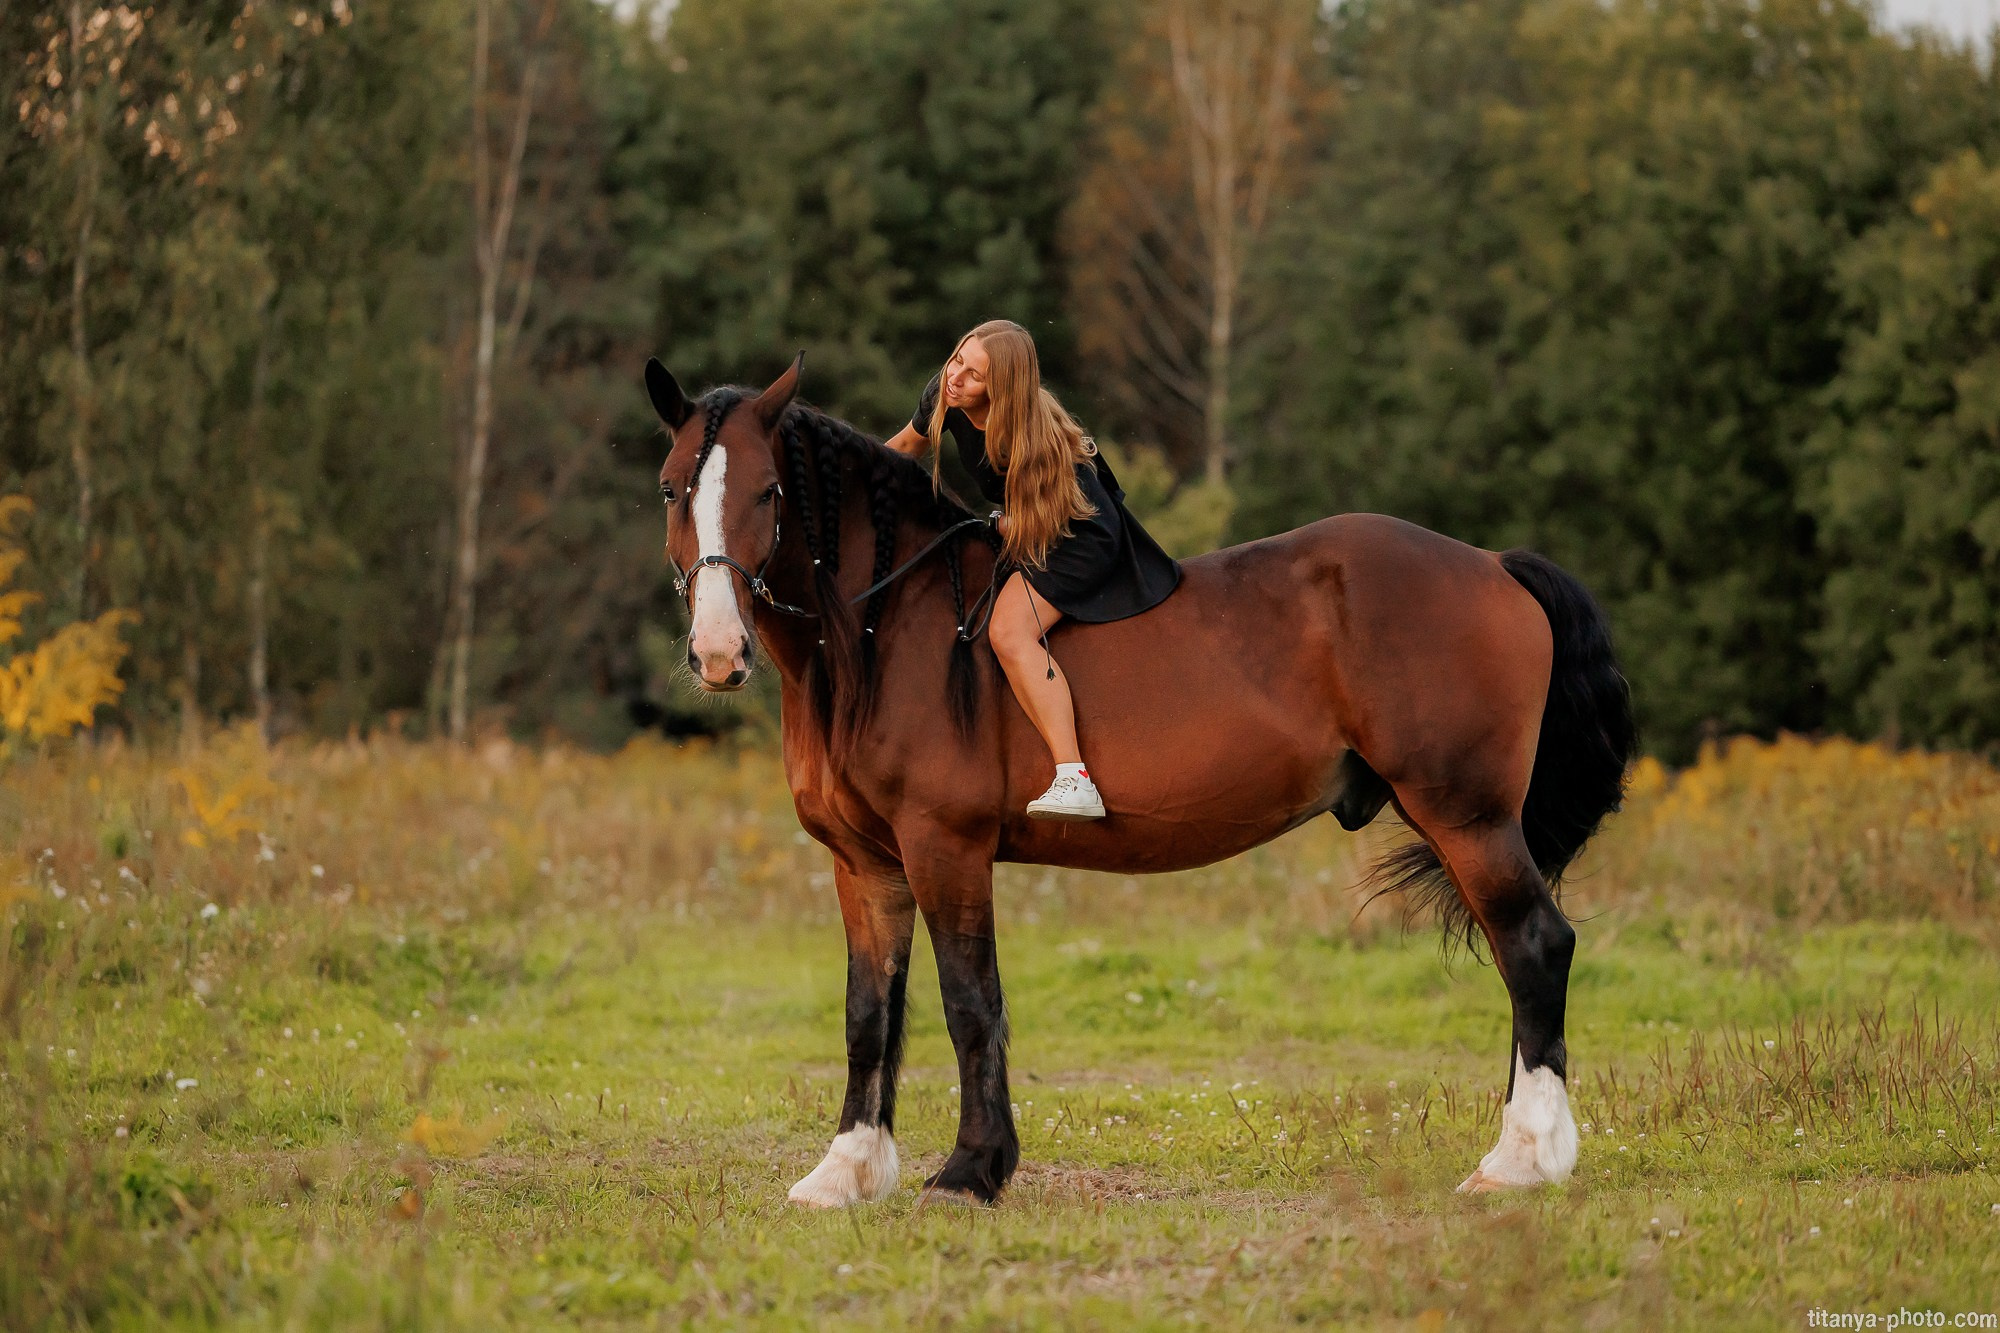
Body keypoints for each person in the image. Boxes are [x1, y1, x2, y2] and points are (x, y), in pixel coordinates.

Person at [883, 319, 1182, 820]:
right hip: (1025, 523)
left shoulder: (1033, 437)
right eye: (958, 359)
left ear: (1001, 390)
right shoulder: (945, 392)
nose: (956, 377)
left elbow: (1040, 522)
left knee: (1009, 631)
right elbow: (907, 448)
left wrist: (993, 523)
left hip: (1077, 536)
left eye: (974, 375)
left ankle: (1074, 778)